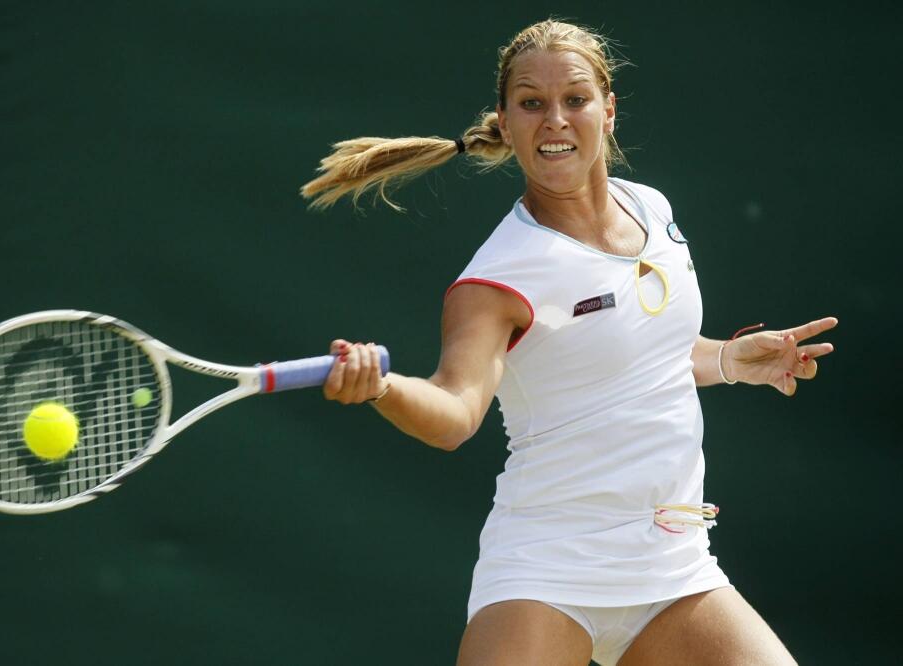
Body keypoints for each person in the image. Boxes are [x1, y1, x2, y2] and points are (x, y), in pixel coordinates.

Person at [301, 19, 836, 666]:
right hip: (549, 573)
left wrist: (728, 359)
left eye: (574, 100)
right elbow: (453, 413)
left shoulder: (653, 209)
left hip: (673, 565)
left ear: (607, 112)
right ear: (504, 121)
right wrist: (382, 386)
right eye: (531, 103)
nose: (555, 119)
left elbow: (633, 355)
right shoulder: (498, 277)